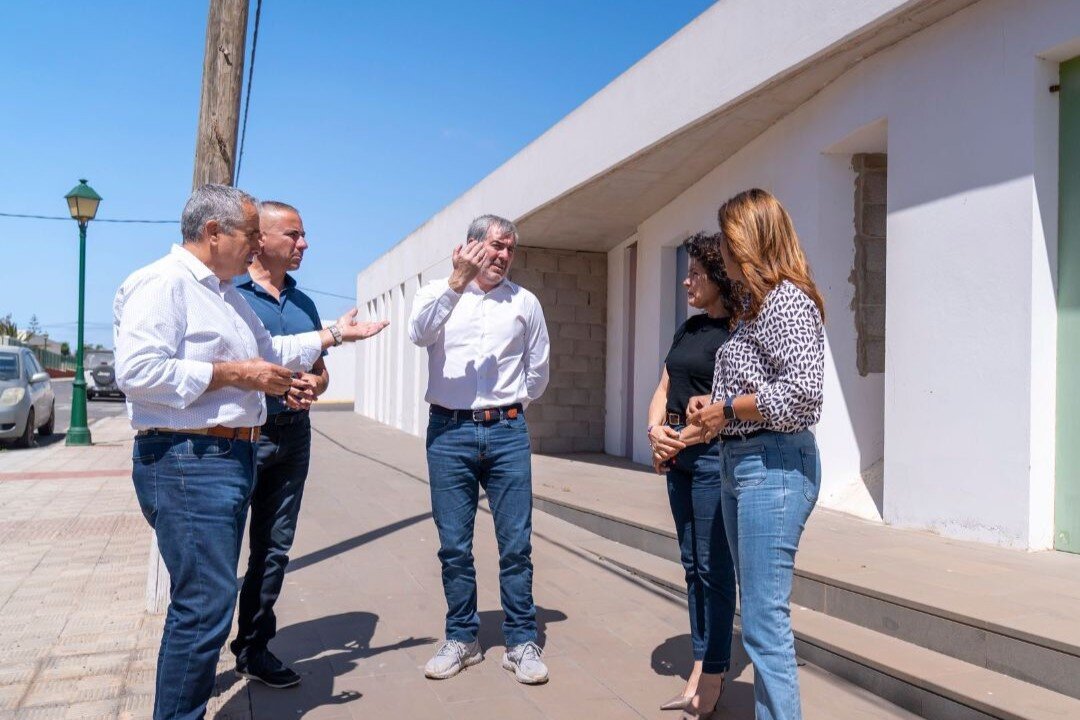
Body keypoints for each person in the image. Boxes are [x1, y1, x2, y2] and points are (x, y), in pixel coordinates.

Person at [114, 184, 387, 720]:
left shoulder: (226, 295)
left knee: (205, 601)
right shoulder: (161, 284)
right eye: (249, 234)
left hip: (222, 459)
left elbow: (271, 352)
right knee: (203, 607)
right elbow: (138, 374)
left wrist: (332, 336)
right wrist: (239, 374)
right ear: (213, 233)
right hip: (187, 461)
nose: (256, 244)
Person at [687, 188, 825, 720]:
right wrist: (709, 414)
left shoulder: (788, 300)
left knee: (766, 627)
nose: (719, 249)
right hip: (744, 463)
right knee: (760, 622)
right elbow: (753, 394)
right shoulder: (754, 308)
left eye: (725, 237)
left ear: (749, 239)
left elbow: (804, 394)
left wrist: (730, 407)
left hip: (774, 468)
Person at [407, 214, 551, 685]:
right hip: (449, 434)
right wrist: (455, 283)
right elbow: (419, 333)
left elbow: (538, 370)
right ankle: (463, 638)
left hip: (508, 433)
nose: (503, 255)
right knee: (454, 547)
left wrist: (509, 405)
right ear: (470, 246)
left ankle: (521, 641)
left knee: (516, 546)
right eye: (495, 245)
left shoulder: (524, 302)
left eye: (510, 248)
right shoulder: (436, 292)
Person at [230, 201, 327, 688]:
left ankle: (253, 649)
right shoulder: (231, 296)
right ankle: (197, 656)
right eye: (293, 234)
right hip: (241, 438)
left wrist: (313, 387)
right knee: (220, 551)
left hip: (294, 437)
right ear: (261, 238)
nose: (302, 244)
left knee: (272, 549)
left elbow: (320, 373)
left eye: (303, 235)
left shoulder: (306, 305)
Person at [645, 233, 737, 713]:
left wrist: (677, 440)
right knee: (690, 566)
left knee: (712, 568)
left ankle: (709, 672)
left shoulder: (737, 333)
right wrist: (653, 430)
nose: (686, 281)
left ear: (719, 279)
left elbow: (723, 407)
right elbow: (665, 385)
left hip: (709, 459)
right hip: (677, 456)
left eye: (696, 274)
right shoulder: (689, 329)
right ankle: (704, 658)